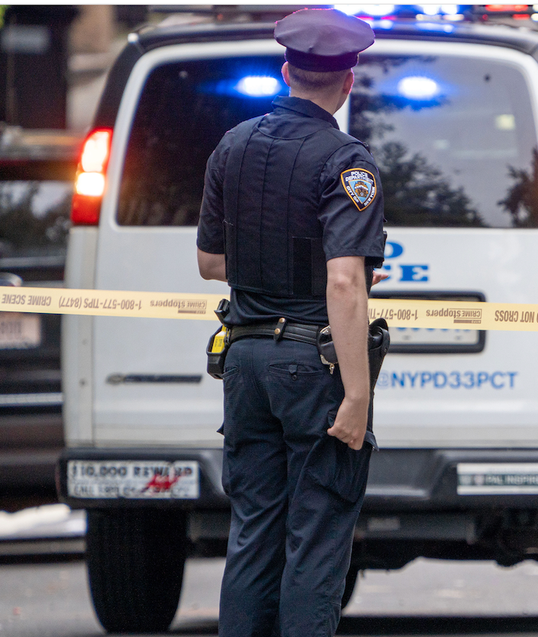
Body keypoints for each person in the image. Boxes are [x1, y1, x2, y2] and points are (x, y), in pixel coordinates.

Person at [195, 9, 385, 637]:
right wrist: (356, 395)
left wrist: (310, 273)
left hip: (245, 362)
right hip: (311, 370)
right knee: (316, 540)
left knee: (253, 534)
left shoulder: (232, 145)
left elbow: (210, 263)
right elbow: (343, 282)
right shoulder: (347, 161)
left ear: (285, 71)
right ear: (348, 82)